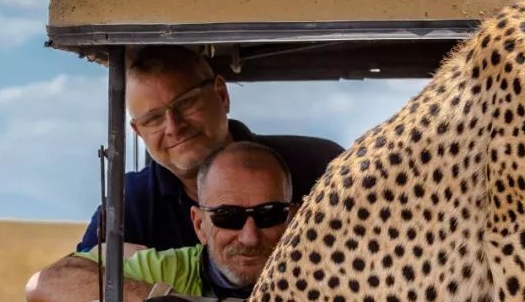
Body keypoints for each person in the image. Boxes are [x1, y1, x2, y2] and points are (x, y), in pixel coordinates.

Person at [25, 142, 295, 302]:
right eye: (228, 216)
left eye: (268, 214)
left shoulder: (319, 278)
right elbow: (44, 286)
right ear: (199, 224)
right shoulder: (167, 272)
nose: (249, 237)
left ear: (294, 219)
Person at [77, 44, 344, 252]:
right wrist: (147, 280)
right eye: (154, 119)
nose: (173, 126)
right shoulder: (131, 201)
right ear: (138, 131)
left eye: (185, 103)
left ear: (221, 95)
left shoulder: (321, 168)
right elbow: (56, 287)